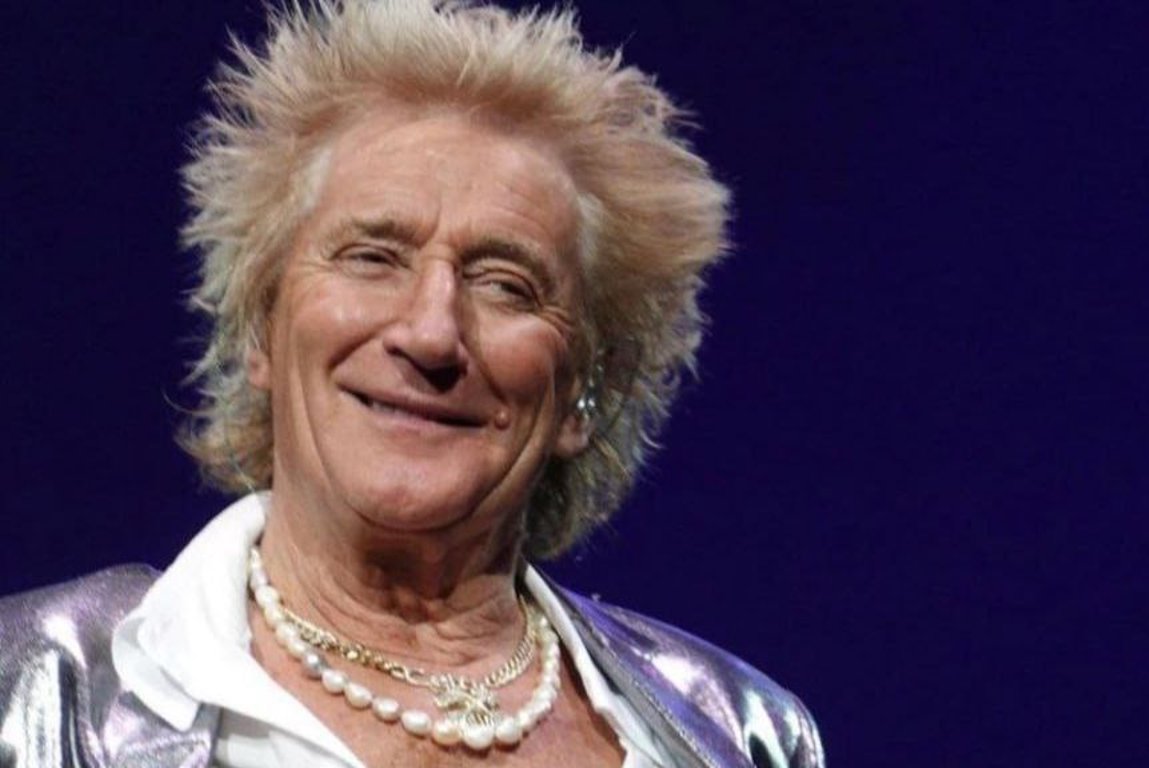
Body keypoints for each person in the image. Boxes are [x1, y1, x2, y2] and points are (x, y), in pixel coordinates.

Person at [0, 2, 823, 767]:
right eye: (372, 257)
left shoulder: (741, 731)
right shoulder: (33, 691)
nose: (432, 333)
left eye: (506, 285)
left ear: (584, 389)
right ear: (261, 327)